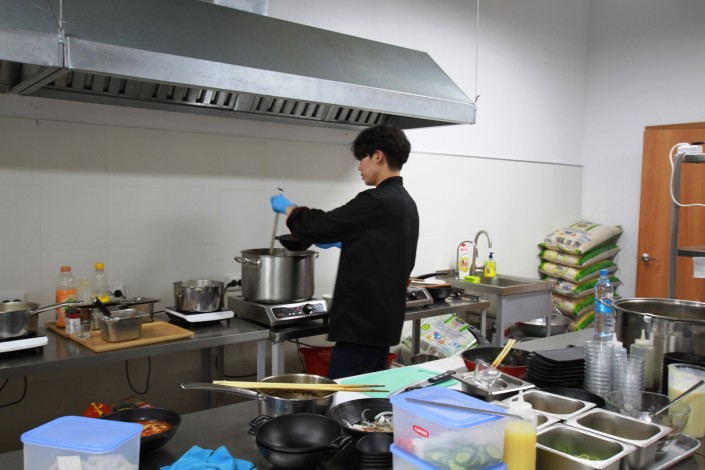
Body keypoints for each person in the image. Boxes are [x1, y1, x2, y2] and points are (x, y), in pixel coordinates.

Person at [270, 124, 419, 380]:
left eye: (362, 158)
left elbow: (317, 226)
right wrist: (348, 242)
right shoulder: (406, 202)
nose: (360, 166)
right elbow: (387, 250)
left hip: (361, 328)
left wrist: (291, 209)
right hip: (382, 325)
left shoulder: (374, 201)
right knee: (369, 394)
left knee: (343, 394)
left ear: (378, 156)